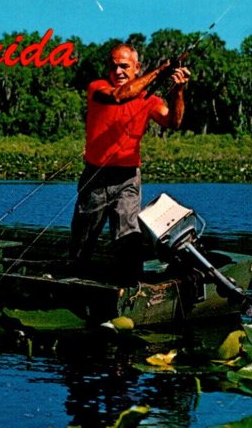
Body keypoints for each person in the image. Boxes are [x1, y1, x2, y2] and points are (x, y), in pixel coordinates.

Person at [70, 43, 191, 286]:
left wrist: (178, 91)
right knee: (83, 241)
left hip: (127, 177)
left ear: (137, 67)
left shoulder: (149, 99)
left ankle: (130, 289)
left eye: (124, 66)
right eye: (113, 66)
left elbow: (173, 122)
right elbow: (119, 96)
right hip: (96, 177)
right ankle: (72, 281)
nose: (118, 71)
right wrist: (160, 71)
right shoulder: (98, 88)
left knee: (128, 237)